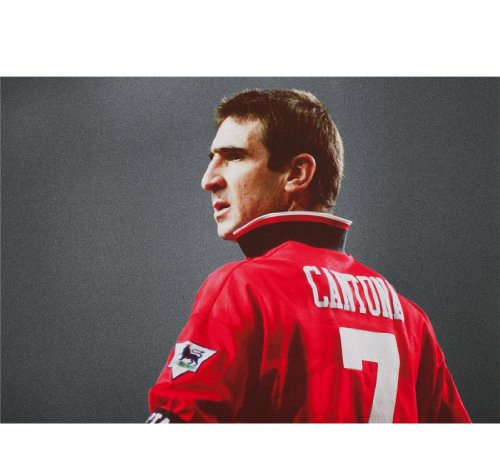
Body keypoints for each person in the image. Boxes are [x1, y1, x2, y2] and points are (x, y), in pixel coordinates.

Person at [146, 89, 470, 423]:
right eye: (212, 158)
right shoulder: (409, 319)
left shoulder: (244, 288)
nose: (209, 179)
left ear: (298, 174)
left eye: (234, 156)